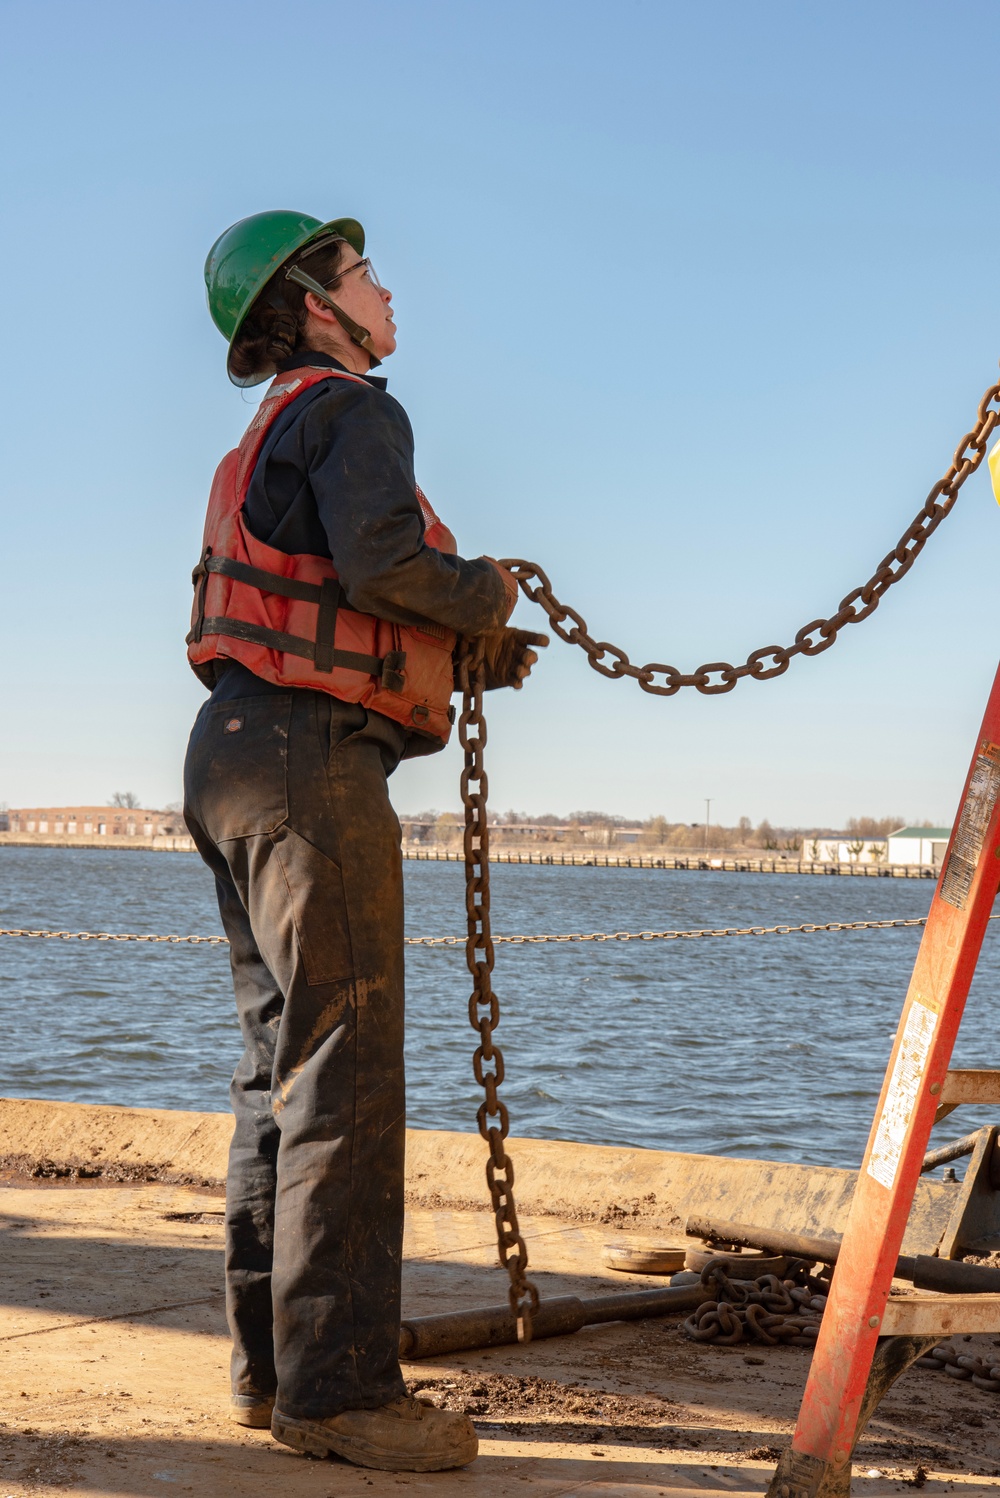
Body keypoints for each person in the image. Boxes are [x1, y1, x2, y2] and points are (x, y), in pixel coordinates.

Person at [182, 209, 546, 1472]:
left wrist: (452, 637)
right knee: (345, 1064)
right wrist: (488, 596)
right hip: (305, 762)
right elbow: (386, 559)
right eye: (366, 275)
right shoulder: (352, 410)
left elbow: (342, 580)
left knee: (279, 1065)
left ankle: (271, 1371)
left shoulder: (270, 431)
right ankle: (338, 1394)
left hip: (231, 752)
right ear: (318, 306)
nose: (389, 292)